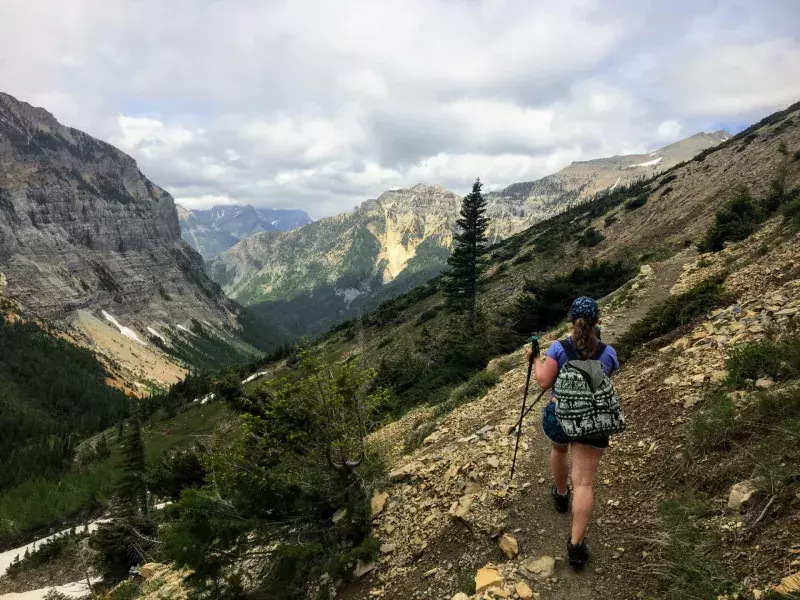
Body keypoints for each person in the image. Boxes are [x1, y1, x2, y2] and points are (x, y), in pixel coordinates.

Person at [525, 296, 620, 568]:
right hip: (592, 421)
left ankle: (561, 493)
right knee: (586, 484)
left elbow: (544, 381)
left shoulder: (559, 347)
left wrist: (534, 361)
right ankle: (576, 547)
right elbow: (606, 378)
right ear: (597, 321)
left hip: (561, 415)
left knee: (558, 449)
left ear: (571, 320)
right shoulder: (608, 352)